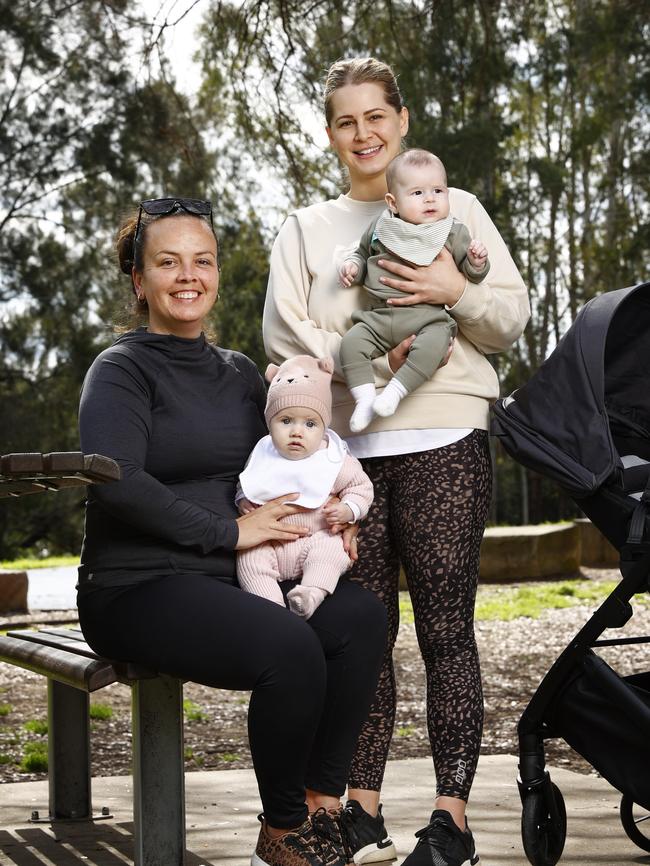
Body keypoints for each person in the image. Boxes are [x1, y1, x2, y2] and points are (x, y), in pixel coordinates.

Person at [263, 58, 530, 866]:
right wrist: (366, 367)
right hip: (348, 462)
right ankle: (363, 809)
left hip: (446, 440)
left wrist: (455, 289)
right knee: (363, 637)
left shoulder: (461, 209)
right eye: (346, 121)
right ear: (331, 134)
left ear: (402, 120)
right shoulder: (307, 229)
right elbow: (284, 339)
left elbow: (509, 318)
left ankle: (452, 819)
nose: (364, 134)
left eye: (376, 116)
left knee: (447, 634)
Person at [76, 197, 388, 866]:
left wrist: (333, 512)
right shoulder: (120, 370)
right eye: (167, 262)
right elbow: (119, 480)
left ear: (216, 272)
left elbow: (294, 453)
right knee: (289, 646)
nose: (188, 276)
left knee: (360, 618)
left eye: (202, 261)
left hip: (225, 575)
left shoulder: (241, 373)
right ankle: (282, 834)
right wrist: (231, 532)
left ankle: (316, 809)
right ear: (139, 280)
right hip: (136, 585)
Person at [338, 148, 489, 432]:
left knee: (436, 346)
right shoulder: (380, 227)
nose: (430, 198)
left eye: (438, 190)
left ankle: (395, 392)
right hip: (379, 316)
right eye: (418, 193)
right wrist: (353, 267)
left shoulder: (452, 232)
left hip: (427, 319)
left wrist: (477, 261)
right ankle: (364, 398)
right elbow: (361, 253)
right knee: (351, 344)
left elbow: (471, 275)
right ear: (392, 202)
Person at [237, 353, 374, 619]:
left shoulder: (333, 459)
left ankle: (310, 593)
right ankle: (270, 608)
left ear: (323, 427)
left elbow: (361, 489)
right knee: (249, 557)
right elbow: (247, 482)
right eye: (285, 421)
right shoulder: (264, 453)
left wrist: (348, 510)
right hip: (270, 540)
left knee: (333, 550)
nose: (297, 432)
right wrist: (244, 501)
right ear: (270, 423)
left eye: (310, 424)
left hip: (316, 536)